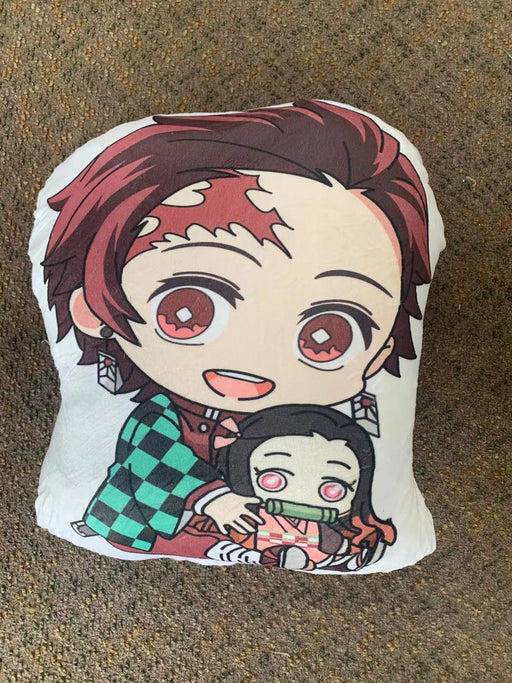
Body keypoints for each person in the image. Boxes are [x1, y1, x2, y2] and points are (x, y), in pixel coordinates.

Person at [43, 99, 431, 556]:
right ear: (93, 308)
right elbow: (152, 460)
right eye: (186, 311)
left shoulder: (293, 425)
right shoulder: (160, 418)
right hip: (137, 524)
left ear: (378, 355)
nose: (251, 358)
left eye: (326, 337)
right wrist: (213, 499)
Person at [190, 404, 396, 571]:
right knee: (227, 547)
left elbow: (331, 542)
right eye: (273, 479)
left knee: (330, 550)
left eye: (333, 489)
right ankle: (270, 558)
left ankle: (350, 560)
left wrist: (343, 546)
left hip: (313, 552)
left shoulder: (320, 525)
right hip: (257, 546)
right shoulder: (250, 514)